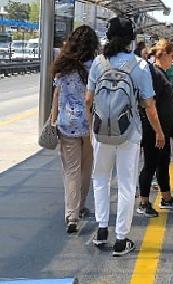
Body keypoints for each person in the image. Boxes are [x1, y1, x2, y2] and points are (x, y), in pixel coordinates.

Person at [85, 17, 164, 257]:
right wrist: (159, 132)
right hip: (128, 132)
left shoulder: (98, 63)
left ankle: (101, 231)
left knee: (100, 179)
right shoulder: (139, 66)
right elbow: (149, 105)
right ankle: (121, 239)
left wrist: (94, 128)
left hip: (101, 132)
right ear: (131, 40)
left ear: (108, 37)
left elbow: (88, 99)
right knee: (127, 185)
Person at [50, 26, 98, 234]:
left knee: (71, 170)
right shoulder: (95, 66)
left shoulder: (63, 65)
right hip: (89, 124)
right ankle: (80, 206)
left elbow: (57, 95)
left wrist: (53, 121)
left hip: (67, 124)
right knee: (86, 168)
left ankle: (72, 215)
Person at [137, 39, 173, 217]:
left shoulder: (160, 72)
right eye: (172, 56)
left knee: (162, 164)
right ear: (165, 55)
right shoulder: (154, 73)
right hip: (154, 130)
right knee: (150, 165)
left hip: (162, 129)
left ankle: (166, 197)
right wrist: (159, 132)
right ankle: (143, 202)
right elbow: (150, 104)